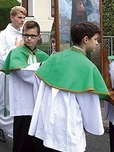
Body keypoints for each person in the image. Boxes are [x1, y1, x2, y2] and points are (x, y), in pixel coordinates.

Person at [29, 21, 109, 151]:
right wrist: (89, 126)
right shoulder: (87, 66)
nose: (97, 43)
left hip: (48, 120)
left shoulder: (56, 57)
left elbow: (40, 86)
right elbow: (89, 103)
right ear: (85, 39)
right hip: (70, 123)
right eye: (95, 39)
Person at [1, 20, 49, 151]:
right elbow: (24, 73)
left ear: (39, 37)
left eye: (33, 35)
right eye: (26, 35)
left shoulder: (43, 56)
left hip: (39, 104)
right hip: (23, 104)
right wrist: (41, 67)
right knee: (22, 142)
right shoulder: (15, 53)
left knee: (38, 141)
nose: (28, 38)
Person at [0, 6, 27, 142]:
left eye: (24, 18)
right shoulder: (3, 35)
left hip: (20, 75)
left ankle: (16, 130)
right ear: (11, 17)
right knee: (5, 102)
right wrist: (15, 47)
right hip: (7, 74)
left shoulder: (23, 35)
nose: (22, 20)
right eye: (19, 17)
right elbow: (0, 57)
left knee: (18, 102)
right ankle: (0, 127)